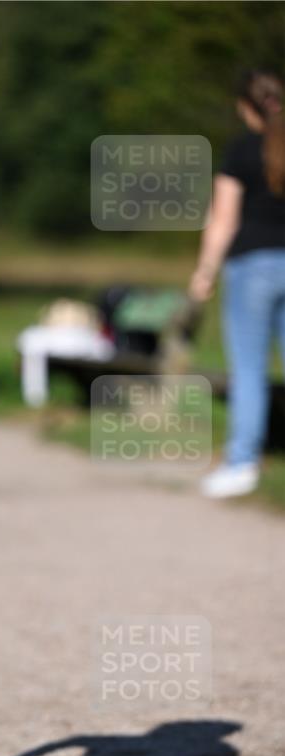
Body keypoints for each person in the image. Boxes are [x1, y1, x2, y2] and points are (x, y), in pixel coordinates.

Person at [189, 69, 285, 498]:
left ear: (246, 108)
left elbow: (223, 219)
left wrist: (204, 272)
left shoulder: (242, 150)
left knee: (248, 371)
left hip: (251, 268)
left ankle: (243, 463)